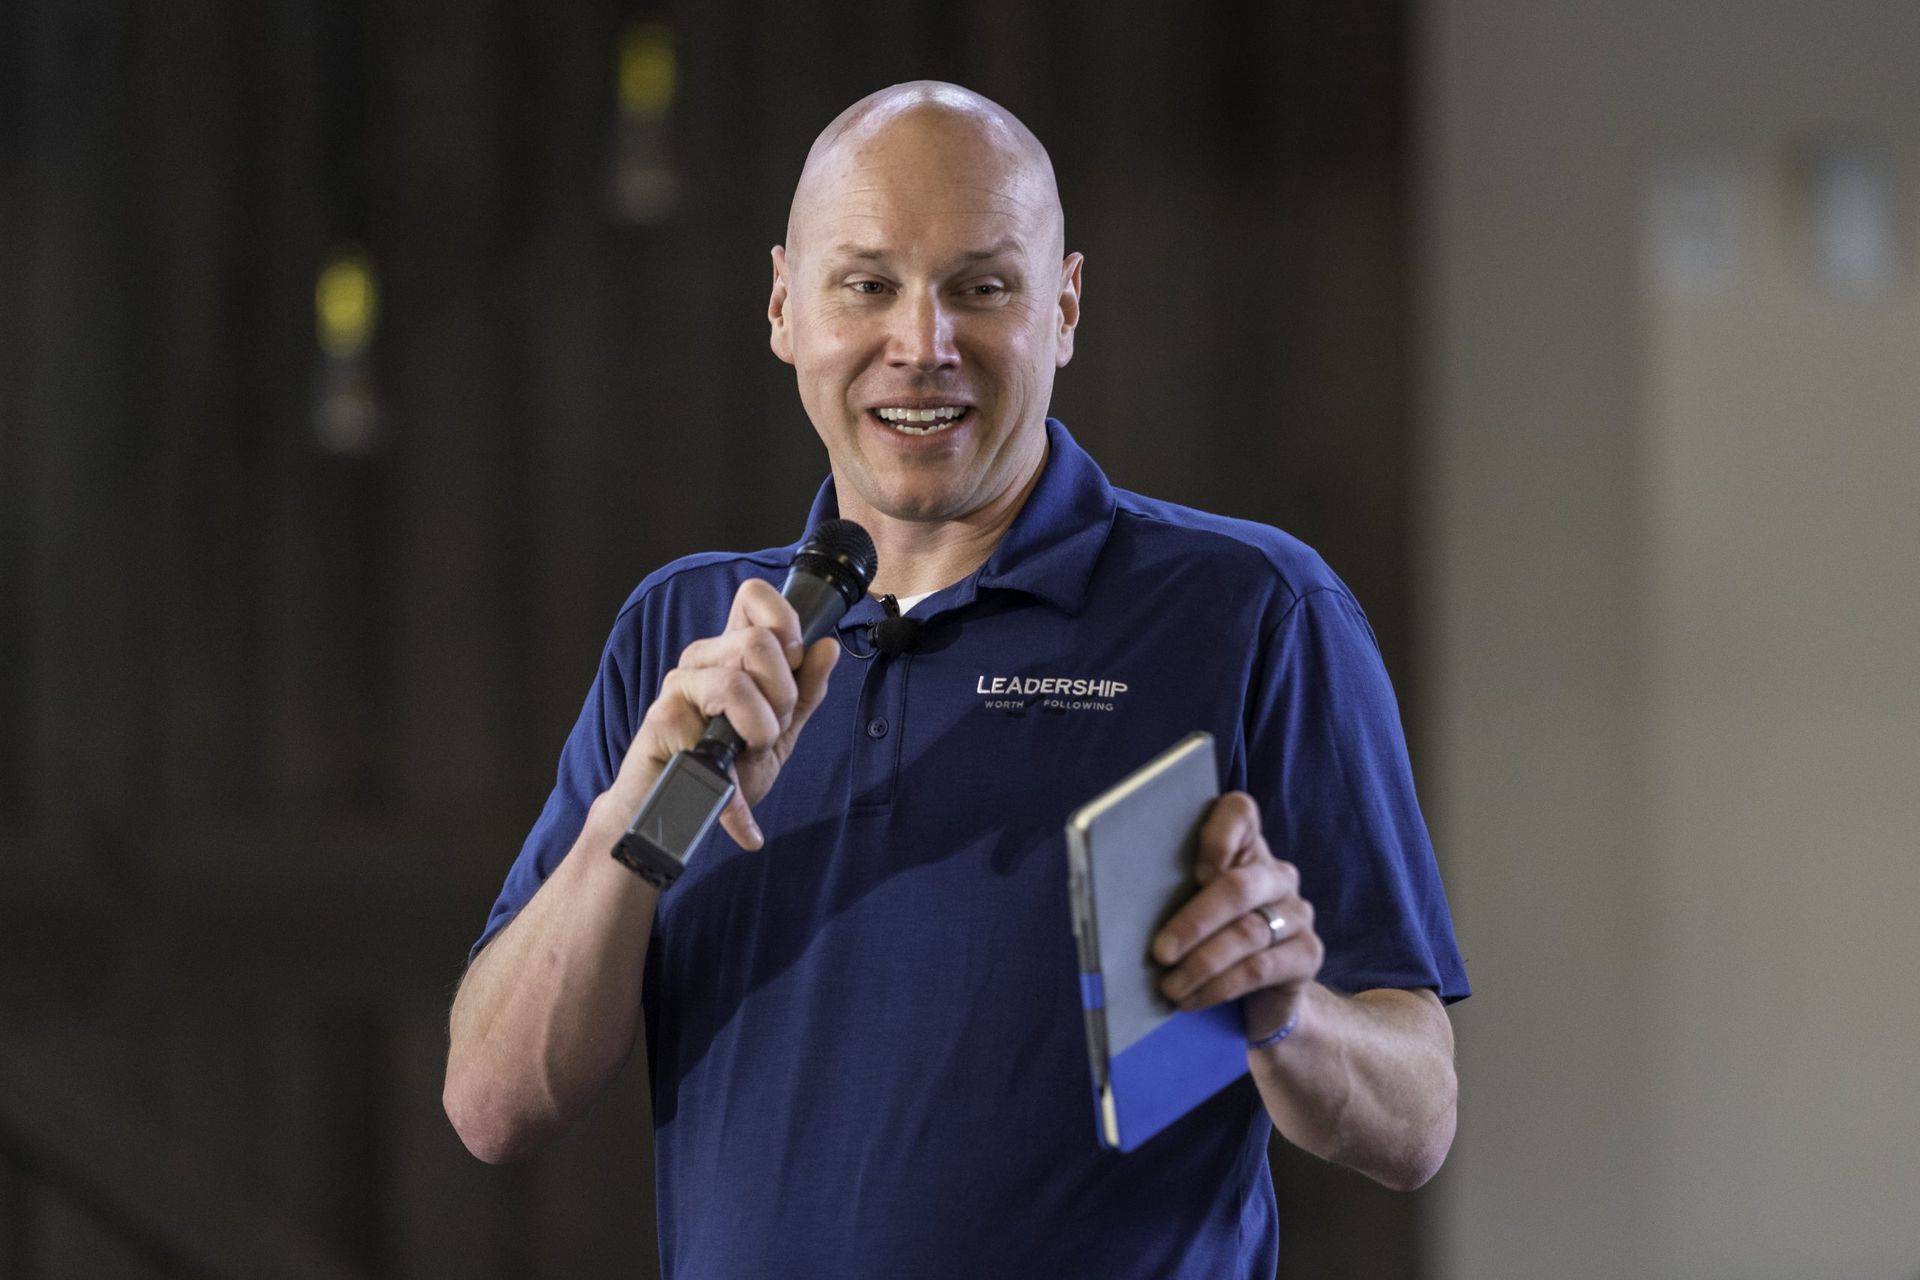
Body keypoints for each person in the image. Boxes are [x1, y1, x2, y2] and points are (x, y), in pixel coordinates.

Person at [444, 80, 1468, 1278]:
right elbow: (494, 1101)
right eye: (867, 283)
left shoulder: (1250, 612)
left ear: (1065, 307)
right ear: (785, 305)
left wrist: (1280, 1009)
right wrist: (637, 817)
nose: (922, 344)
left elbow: (1417, 1119)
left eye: (982, 287)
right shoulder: (688, 631)